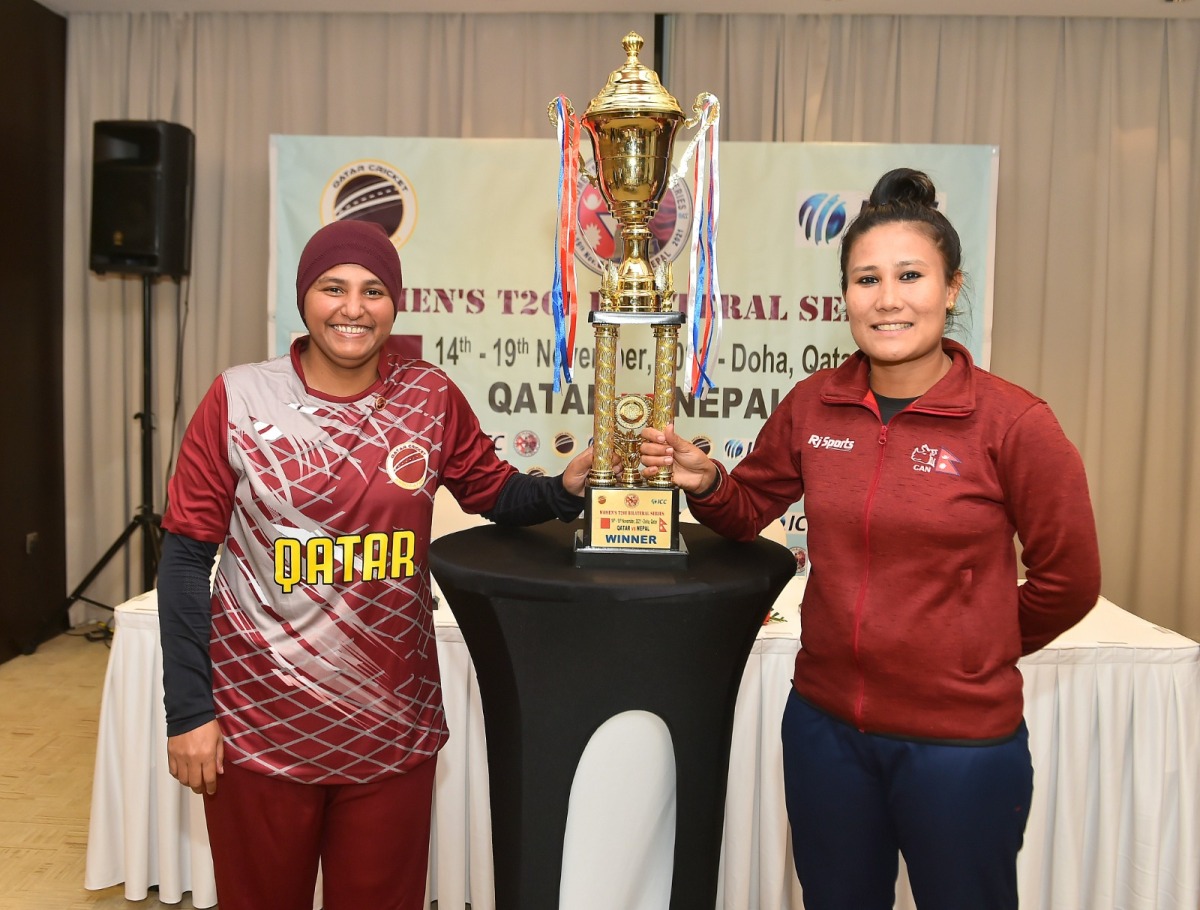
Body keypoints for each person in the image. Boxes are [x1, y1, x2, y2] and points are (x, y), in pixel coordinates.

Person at [639, 168, 1101, 910]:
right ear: (845, 296)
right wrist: (704, 482)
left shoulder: (1014, 424)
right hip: (825, 731)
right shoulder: (813, 405)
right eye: (866, 279)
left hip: (959, 746)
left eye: (910, 276)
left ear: (951, 289)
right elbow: (748, 507)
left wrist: (971, 647)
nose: (887, 299)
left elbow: (1069, 580)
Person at [157, 219, 591, 910]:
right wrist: (188, 713)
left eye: (374, 290)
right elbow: (185, 561)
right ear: (305, 298)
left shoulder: (430, 396)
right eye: (334, 288)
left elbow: (494, 492)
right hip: (258, 726)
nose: (353, 308)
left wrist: (561, 492)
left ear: (396, 304)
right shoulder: (238, 398)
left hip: (391, 731)